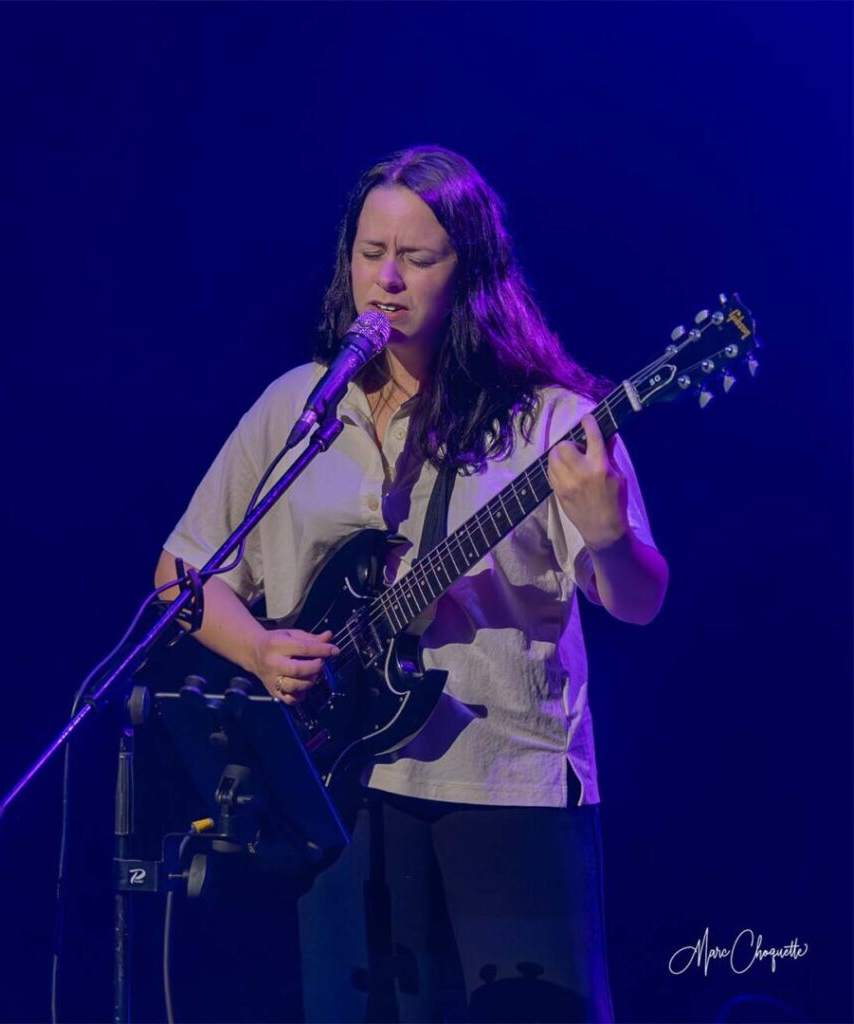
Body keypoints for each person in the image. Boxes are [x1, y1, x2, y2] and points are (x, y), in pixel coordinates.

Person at [155, 145, 668, 1023]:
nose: (385, 280)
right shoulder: (299, 407)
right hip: (344, 788)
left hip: (506, 789)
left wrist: (610, 531)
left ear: (470, 273)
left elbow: (639, 598)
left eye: (416, 259)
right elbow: (182, 574)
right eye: (368, 253)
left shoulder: (549, 421)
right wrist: (258, 648)